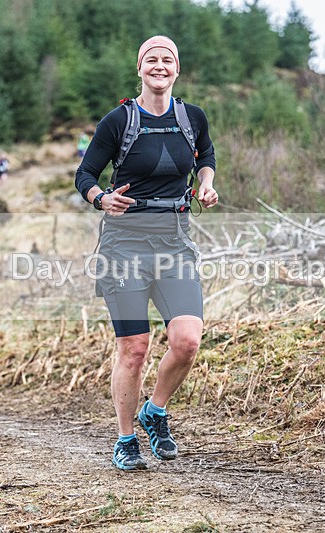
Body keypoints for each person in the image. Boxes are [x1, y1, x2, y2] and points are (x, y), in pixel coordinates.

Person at [74, 35, 219, 471]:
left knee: (187, 341)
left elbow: (206, 155)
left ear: (177, 69)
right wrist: (102, 198)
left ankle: (154, 411)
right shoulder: (118, 121)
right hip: (124, 246)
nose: (159, 66)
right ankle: (125, 439)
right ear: (139, 68)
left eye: (167, 59)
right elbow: (85, 175)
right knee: (134, 348)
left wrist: (206, 184)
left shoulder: (192, 117)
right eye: (151, 59)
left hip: (175, 243)